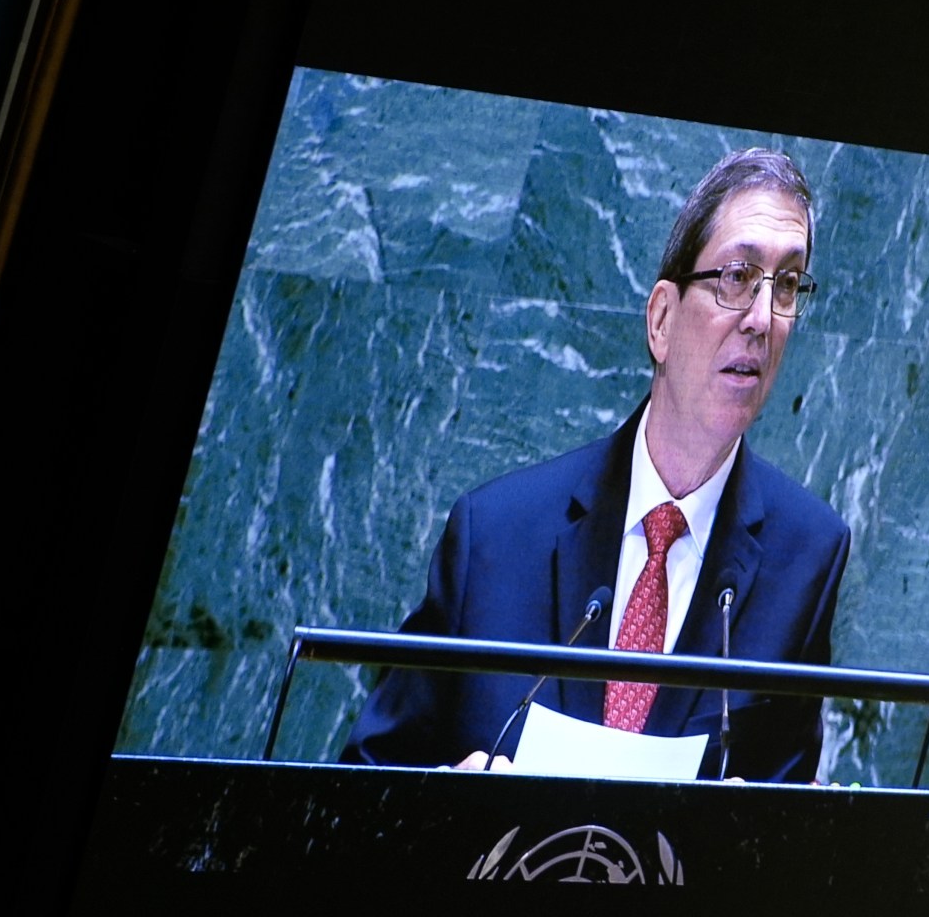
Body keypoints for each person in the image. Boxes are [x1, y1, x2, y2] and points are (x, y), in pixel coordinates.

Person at [342, 149, 851, 782]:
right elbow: (364, 780)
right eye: (738, 277)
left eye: (787, 286)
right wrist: (447, 797)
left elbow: (788, 811)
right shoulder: (494, 535)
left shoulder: (807, 555)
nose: (760, 320)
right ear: (661, 319)